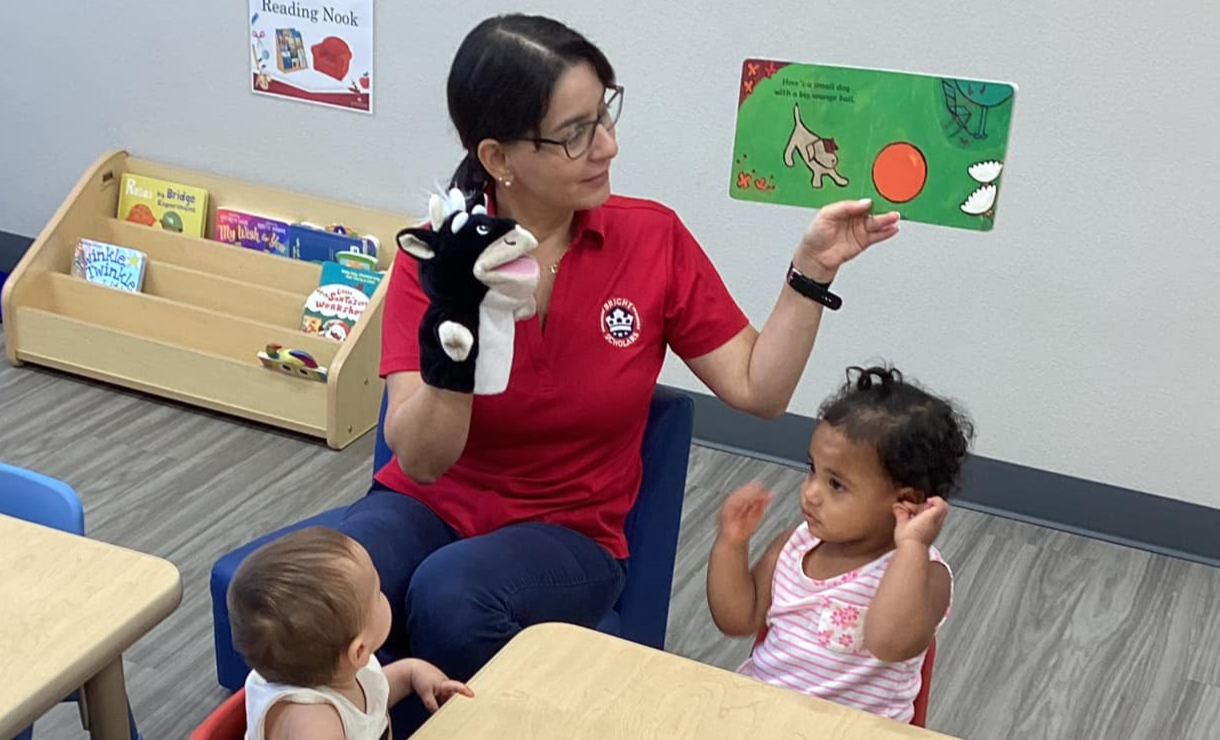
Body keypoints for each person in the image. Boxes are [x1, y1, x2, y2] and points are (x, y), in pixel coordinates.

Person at [337, 13, 901, 734]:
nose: (607, 144)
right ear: (498, 156)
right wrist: (459, 317)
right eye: (574, 132)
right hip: (428, 502)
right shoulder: (442, 255)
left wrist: (813, 268)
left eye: (603, 114)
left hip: (568, 532)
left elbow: (758, 389)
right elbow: (418, 455)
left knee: (451, 594)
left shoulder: (650, 237)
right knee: (331, 587)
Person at [707, 365, 974, 723]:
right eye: (813, 468)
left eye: (836, 485)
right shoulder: (794, 546)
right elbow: (736, 619)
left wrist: (911, 545)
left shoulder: (925, 574)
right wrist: (731, 544)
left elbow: (889, 642)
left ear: (907, 501)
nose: (811, 492)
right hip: (762, 715)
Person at [227, 527, 472, 740]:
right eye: (377, 593)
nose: (384, 594)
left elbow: (369, 698)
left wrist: (411, 674)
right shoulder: (312, 723)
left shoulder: (335, 668)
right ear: (359, 650)